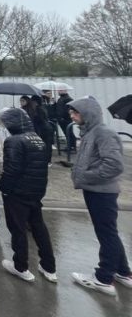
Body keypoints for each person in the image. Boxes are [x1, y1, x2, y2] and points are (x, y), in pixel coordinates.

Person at [67, 97, 131, 296]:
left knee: (106, 234)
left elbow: (114, 165)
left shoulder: (103, 133)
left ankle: (103, 278)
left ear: (88, 114)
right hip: (95, 190)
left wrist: (85, 176)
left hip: (102, 192)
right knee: (108, 231)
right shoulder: (89, 133)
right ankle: (123, 272)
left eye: (76, 112)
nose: (72, 115)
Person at [0, 107, 57, 283]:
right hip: (36, 191)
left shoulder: (13, 141)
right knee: (39, 227)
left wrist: (4, 189)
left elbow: (12, 169)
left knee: (18, 228)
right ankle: (49, 267)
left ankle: (20, 266)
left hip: (17, 192)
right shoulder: (37, 139)